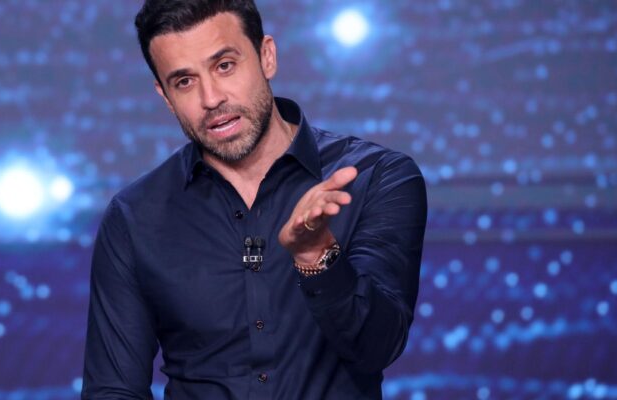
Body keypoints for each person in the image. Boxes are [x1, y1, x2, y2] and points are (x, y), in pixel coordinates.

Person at [82, 0, 427, 398]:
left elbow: (379, 346)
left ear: (267, 57)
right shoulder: (134, 217)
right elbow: (112, 390)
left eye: (224, 66)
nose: (211, 98)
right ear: (165, 96)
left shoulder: (376, 177)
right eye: (185, 82)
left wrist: (317, 255)